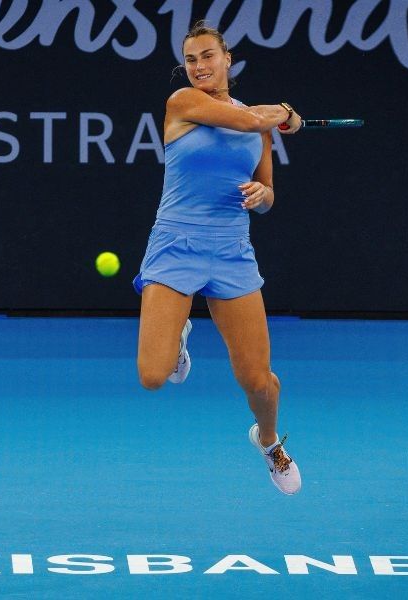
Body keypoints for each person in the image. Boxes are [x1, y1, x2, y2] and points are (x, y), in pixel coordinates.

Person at [133, 21, 302, 495]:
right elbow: (250, 120)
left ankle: (268, 442)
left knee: (259, 382)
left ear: (228, 60)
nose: (199, 66)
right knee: (152, 376)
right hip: (175, 244)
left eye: (208, 56)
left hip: (231, 251)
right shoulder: (183, 103)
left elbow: (269, 195)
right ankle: (179, 336)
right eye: (190, 59)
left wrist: (260, 193)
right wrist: (286, 111)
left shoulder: (260, 125)